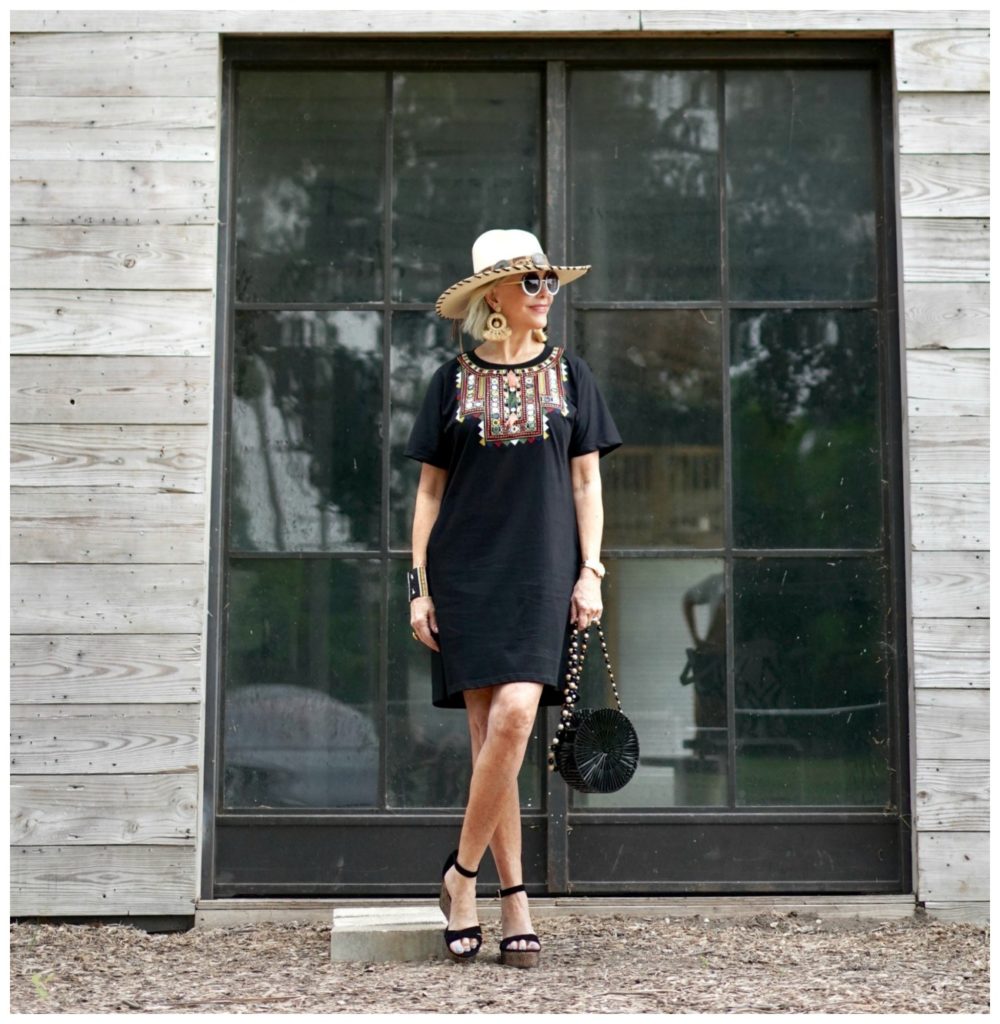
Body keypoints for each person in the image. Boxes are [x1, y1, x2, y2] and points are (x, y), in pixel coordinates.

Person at [404, 229, 622, 967]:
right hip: (465, 574)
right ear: (492, 296)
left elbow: (587, 482)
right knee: (487, 740)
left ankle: (460, 877)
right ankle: (515, 900)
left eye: (548, 282)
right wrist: (420, 588)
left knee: (518, 716)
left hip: (542, 574)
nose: (544, 294)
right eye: (530, 283)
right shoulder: (449, 381)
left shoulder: (571, 376)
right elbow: (429, 493)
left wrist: (590, 570)